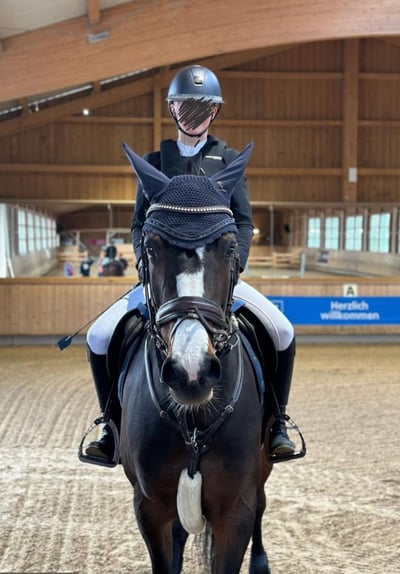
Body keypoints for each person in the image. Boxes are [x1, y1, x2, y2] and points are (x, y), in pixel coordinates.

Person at [84, 65, 297, 463]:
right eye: (187, 106)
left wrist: (234, 271)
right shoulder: (154, 161)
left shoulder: (228, 160)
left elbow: (244, 220)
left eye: (203, 107)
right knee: (98, 337)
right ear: (173, 108)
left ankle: (278, 423)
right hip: (164, 282)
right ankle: (109, 427)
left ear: (214, 112)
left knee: (282, 331)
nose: (195, 114)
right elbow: (138, 223)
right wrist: (146, 271)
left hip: (217, 279)